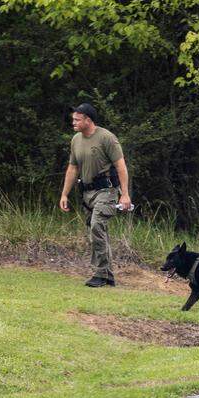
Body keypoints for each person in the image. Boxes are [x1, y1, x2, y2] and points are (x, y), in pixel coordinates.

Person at [58, 103, 132, 287]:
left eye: (77, 119)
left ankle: (100, 274)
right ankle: (108, 275)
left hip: (106, 191)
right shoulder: (76, 139)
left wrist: (125, 195)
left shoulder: (107, 138)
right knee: (98, 231)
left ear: (88, 120)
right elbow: (73, 168)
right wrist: (64, 194)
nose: (73, 122)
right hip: (87, 193)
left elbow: (121, 166)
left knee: (97, 226)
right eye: (73, 119)